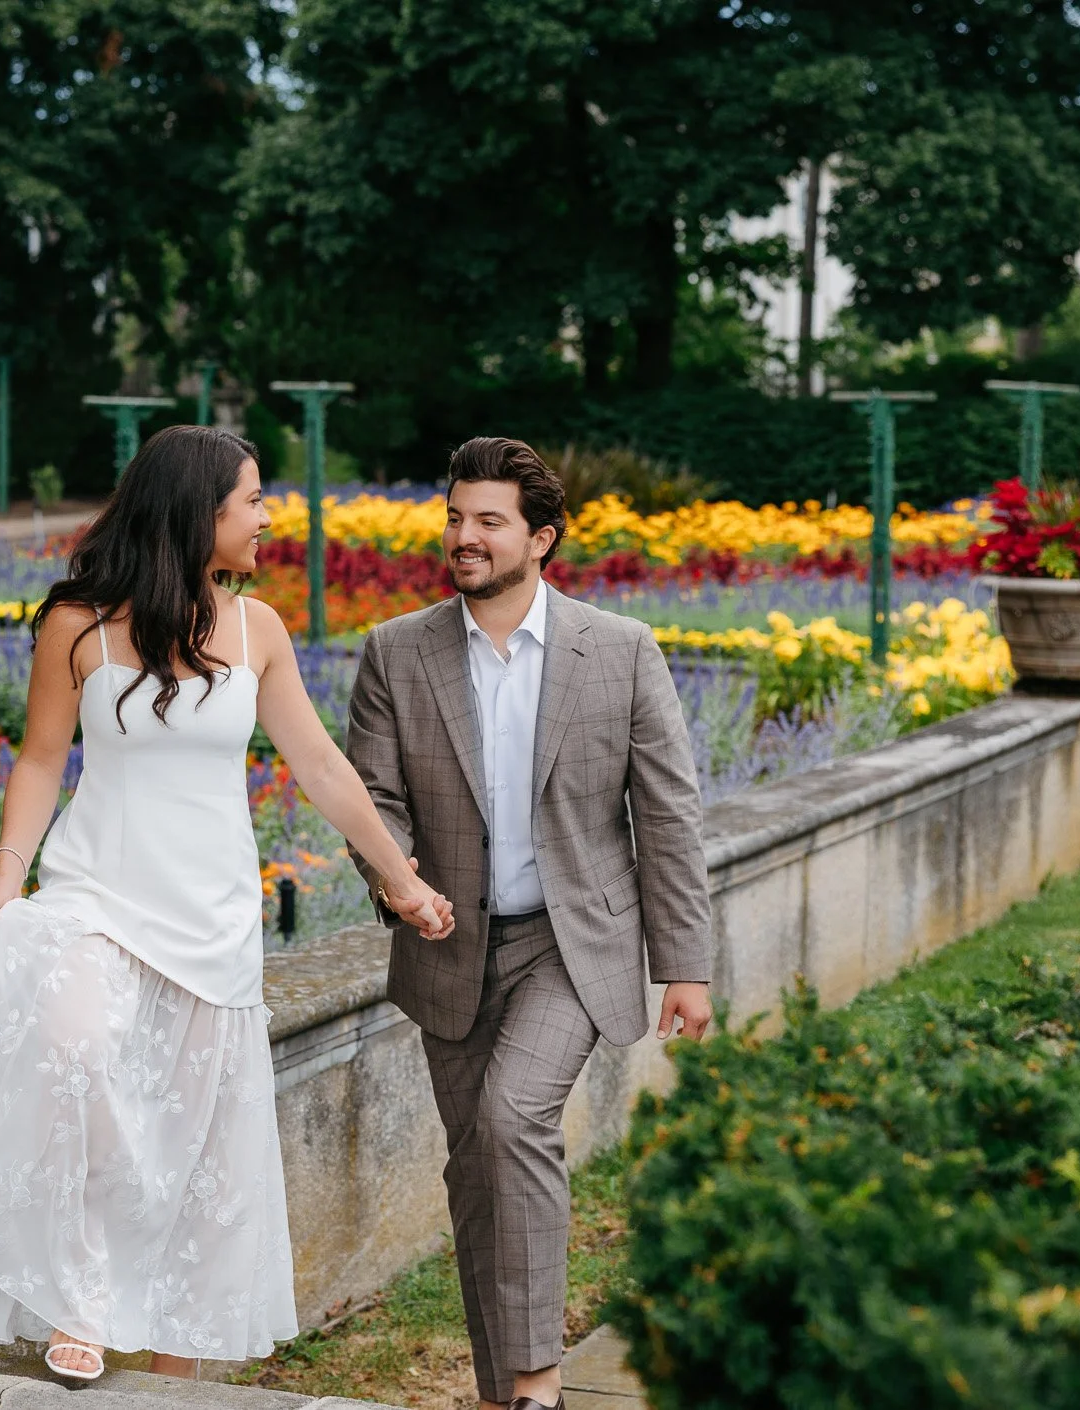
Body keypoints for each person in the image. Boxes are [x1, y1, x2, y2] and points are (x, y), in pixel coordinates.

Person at [0, 424, 454, 1382]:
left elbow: (319, 764)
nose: (270, 518)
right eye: (253, 500)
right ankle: (82, 1297)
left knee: (192, 1141)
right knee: (75, 1057)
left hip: (213, 917)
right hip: (92, 893)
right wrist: (7, 869)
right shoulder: (76, 623)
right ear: (200, 513)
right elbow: (38, 759)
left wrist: (401, 880)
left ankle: (172, 1357)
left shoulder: (257, 628)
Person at [342, 437, 715, 1410]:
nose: (462, 538)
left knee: (513, 1120)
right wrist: (396, 883)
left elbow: (665, 816)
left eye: (486, 522)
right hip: (446, 947)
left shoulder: (619, 651)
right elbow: (370, 799)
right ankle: (498, 1390)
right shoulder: (395, 652)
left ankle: (540, 1386)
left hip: (569, 943)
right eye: (453, 519)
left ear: (539, 539)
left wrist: (686, 966)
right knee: (475, 1169)